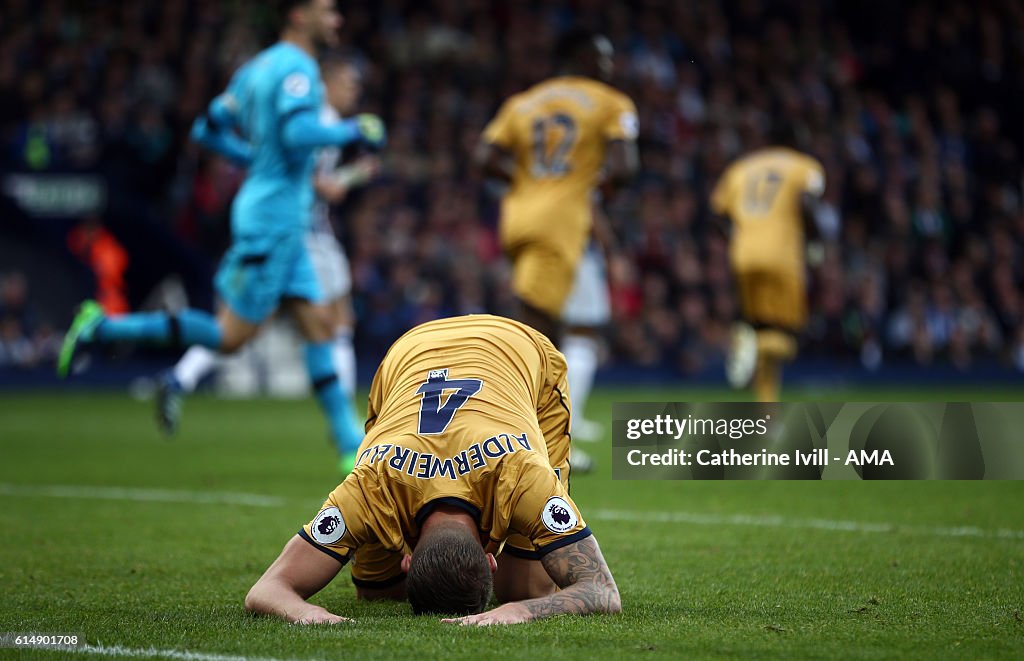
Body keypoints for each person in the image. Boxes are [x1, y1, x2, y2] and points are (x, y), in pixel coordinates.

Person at [58, 0, 385, 472]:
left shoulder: (253, 70)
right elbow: (296, 135)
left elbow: (207, 128)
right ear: (297, 14)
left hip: (282, 217)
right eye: (328, 10)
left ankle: (349, 445)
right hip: (273, 218)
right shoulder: (298, 68)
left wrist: (255, 160)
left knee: (320, 325)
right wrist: (354, 129)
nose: (336, 19)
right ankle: (102, 328)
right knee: (229, 336)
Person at [244, 314, 621, 625]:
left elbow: (267, 590)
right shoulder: (372, 485)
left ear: (406, 560)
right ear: (491, 561)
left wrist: (518, 606)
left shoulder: (375, 486)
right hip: (416, 352)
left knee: (523, 591)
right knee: (376, 593)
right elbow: (599, 590)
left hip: (495, 348)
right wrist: (519, 614)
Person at [156, 56, 379, 448]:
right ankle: (345, 422)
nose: (354, 91)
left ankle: (179, 377)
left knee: (242, 326)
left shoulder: (316, 117)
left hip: (292, 230)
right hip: (302, 234)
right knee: (335, 322)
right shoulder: (320, 120)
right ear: (327, 83)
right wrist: (354, 174)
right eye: (348, 82)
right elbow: (314, 182)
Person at [474, 29, 638, 457]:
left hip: (518, 218)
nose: (607, 69)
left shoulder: (522, 103)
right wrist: (596, 189)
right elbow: (624, 166)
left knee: (539, 324)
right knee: (538, 334)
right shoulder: (611, 103)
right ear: (580, 58)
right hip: (559, 224)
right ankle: (530, 441)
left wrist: (527, 185)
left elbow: (485, 158)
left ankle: (533, 434)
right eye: (601, 60)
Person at [710, 125, 826, 402]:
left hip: (744, 254)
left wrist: (738, 237)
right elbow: (808, 203)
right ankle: (754, 346)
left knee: (761, 327)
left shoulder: (740, 168)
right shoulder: (803, 166)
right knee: (788, 338)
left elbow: (716, 214)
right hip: (782, 257)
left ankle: (767, 413)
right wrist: (815, 241)